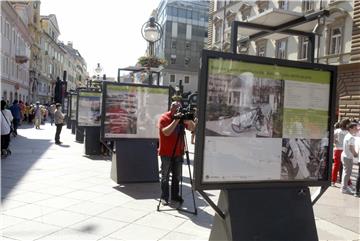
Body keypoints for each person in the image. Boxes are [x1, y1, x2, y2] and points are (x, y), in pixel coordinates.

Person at [158, 101, 195, 205]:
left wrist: (189, 120)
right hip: (166, 152)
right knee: (165, 176)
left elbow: (193, 128)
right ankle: (164, 197)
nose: (177, 112)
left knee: (177, 176)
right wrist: (175, 121)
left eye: (179, 109)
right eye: (176, 110)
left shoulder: (182, 118)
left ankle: (175, 195)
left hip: (178, 152)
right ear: (171, 108)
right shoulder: (164, 117)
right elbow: (166, 132)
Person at [340, 122, 359, 194]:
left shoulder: (348, 135)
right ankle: (344, 188)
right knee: (347, 173)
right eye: (355, 128)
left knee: (346, 173)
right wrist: (356, 154)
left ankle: (344, 186)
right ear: (350, 129)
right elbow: (351, 147)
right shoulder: (351, 137)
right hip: (347, 157)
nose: (357, 129)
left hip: (345, 156)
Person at [332, 119, 350, 185]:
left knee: (336, 165)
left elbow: (333, 139)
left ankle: (333, 180)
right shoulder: (348, 132)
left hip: (338, 149)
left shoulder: (337, 131)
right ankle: (345, 181)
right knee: (345, 166)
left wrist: (335, 143)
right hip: (345, 150)